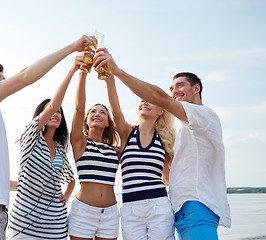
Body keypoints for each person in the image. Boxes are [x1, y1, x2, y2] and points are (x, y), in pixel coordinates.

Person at [0, 35, 97, 240]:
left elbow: (62, 179)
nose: (4, 82)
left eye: (4, 79)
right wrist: (72, 49)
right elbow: (26, 76)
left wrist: (58, 194)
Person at [93, 49, 231, 240]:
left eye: (180, 86)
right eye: (172, 89)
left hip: (194, 206)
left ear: (196, 88)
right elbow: (170, 177)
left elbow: (160, 98)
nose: (174, 92)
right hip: (178, 209)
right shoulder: (185, 129)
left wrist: (116, 72)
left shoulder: (203, 116)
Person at [6, 57, 82, 240]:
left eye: (59, 113)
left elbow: (70, 179)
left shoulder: (59, 150)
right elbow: (54, 104)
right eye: (51, 110)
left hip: (55, 223)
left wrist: (66, 195)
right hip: (24, 221)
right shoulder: (31, 137)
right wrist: (72, 69)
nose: (56, 113)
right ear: (41, 115)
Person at [104, 74, 176, 240]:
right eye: (142, 100)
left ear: (161, 110)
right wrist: (110, 80)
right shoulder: (127, 133)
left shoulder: (164, 141)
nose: (144, 102)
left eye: (150, 100)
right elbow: (116, 112)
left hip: (159, 206)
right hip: (130, 208)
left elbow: (168, 179)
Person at [67, 55, 120, 240]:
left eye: (102, 112)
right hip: (84, 213)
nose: (97, 114)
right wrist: (83, 73)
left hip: (111, 213)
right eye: (93, 112)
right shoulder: (80, 143)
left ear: (107, 122)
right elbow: (78, 108)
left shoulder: (114, 150)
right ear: (87, 120)